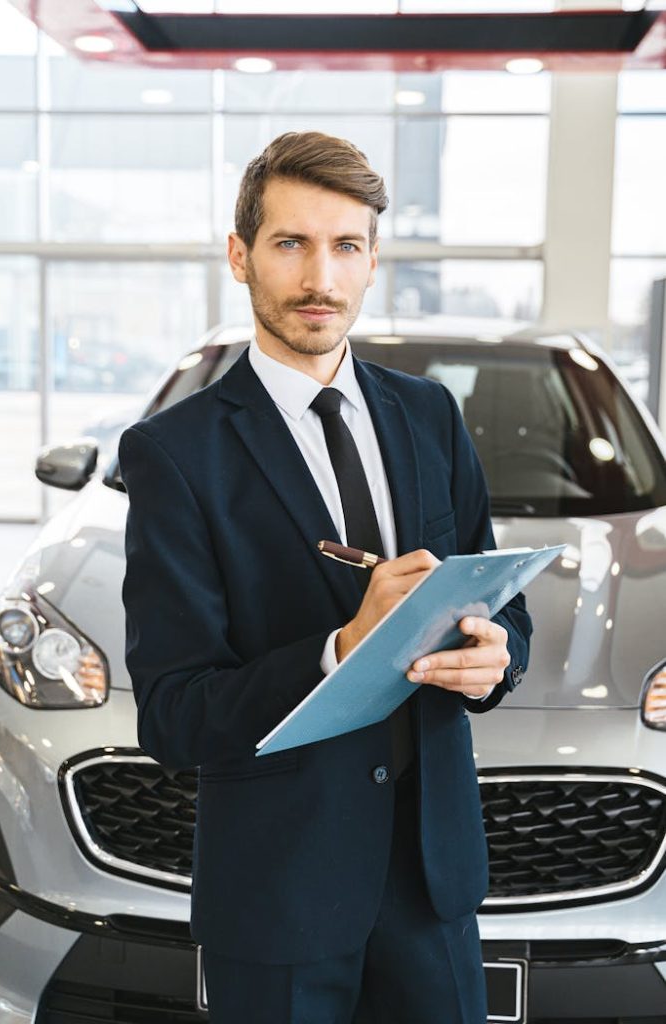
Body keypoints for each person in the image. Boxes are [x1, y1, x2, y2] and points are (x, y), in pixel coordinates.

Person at [119, 131, 532, 1024]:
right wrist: (341, 649)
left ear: (373, 258)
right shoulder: (174, 454)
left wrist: (496, 658)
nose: (321, 278)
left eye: (346, 246)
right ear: (240, 256)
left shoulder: (428, 415)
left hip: (431, 885)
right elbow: (174, 714)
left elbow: (504, 610)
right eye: (290, 243)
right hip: (279, 893)